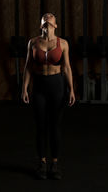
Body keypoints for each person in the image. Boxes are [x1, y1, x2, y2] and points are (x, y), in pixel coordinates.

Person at [21, 12, 76, 180]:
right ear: (41, 24)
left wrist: (71, 89)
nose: (48, 16)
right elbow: (28, 67)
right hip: (39, 87)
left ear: (56, 24)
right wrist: (24, 88)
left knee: (55, 126)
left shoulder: (63, 43)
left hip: (57, 86)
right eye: (45, 16)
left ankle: (55, 164)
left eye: (51, 16)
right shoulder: (33, 42)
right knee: (41, 126)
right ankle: (42, 163)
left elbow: (66, 67)